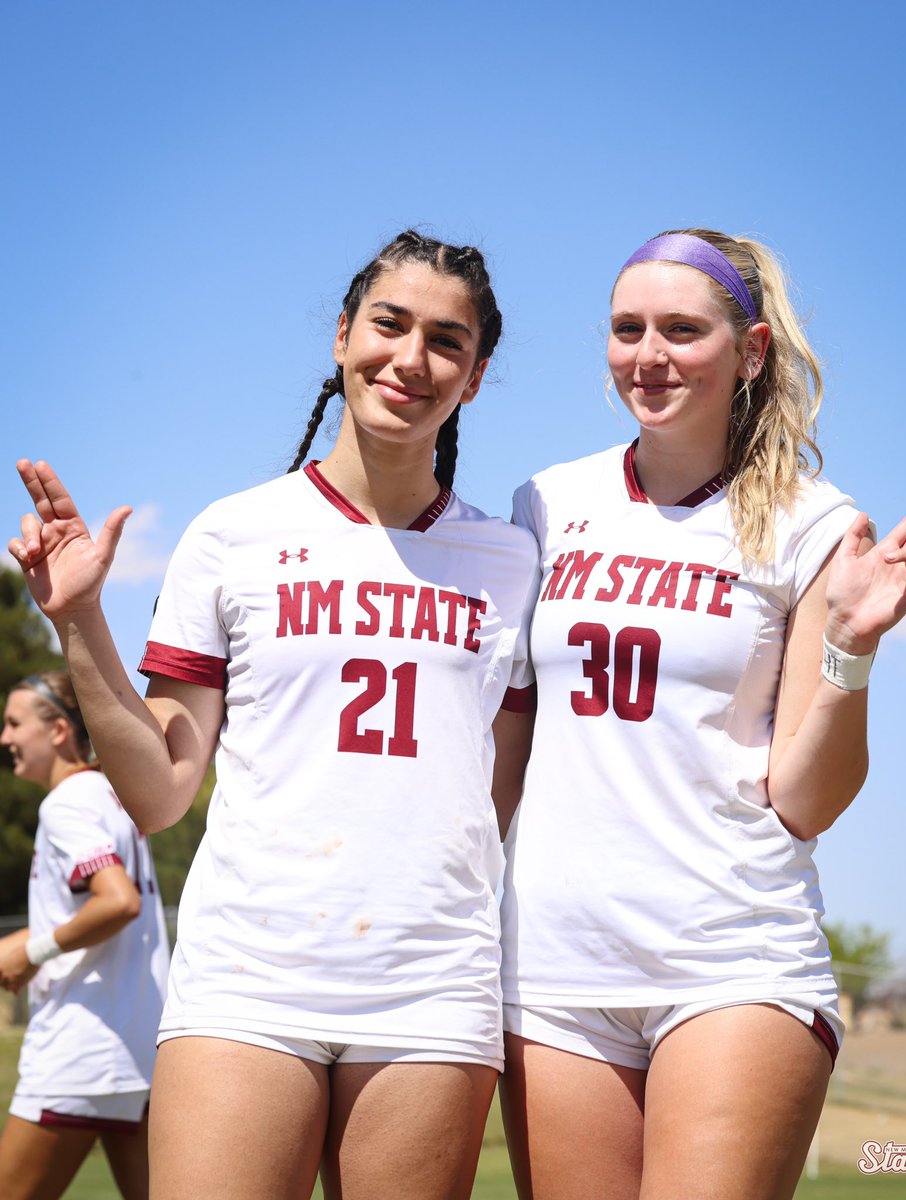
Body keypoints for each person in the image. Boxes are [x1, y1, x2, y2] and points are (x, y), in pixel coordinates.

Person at [8, 231, 540, 1200]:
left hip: (431, 982)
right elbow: (163, 791)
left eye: (446, 341)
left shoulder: (512, 561)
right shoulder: (232, 534)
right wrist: (80, 620)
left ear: (476, 374)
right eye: (389, 324)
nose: (410, 359)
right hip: (248, 973)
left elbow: (499, 798)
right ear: (342, 336)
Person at [497, 228, 906, 1200]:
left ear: (748, 352)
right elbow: (510, 744)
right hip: (553, 967)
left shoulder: (815, 521)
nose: (648, 354)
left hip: (731, 952)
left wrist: (853, 647)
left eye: (681, 330)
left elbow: (807, 800)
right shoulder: (545, 502)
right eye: (628, 329)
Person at [0, 670, 169, 1200]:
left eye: (13, 723)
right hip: (136, 1050)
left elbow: (118, 901)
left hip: (82, 1050)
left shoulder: (67, 803)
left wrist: (33, 949)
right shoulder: (108, 795)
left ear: (56, 731)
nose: (5, 737)